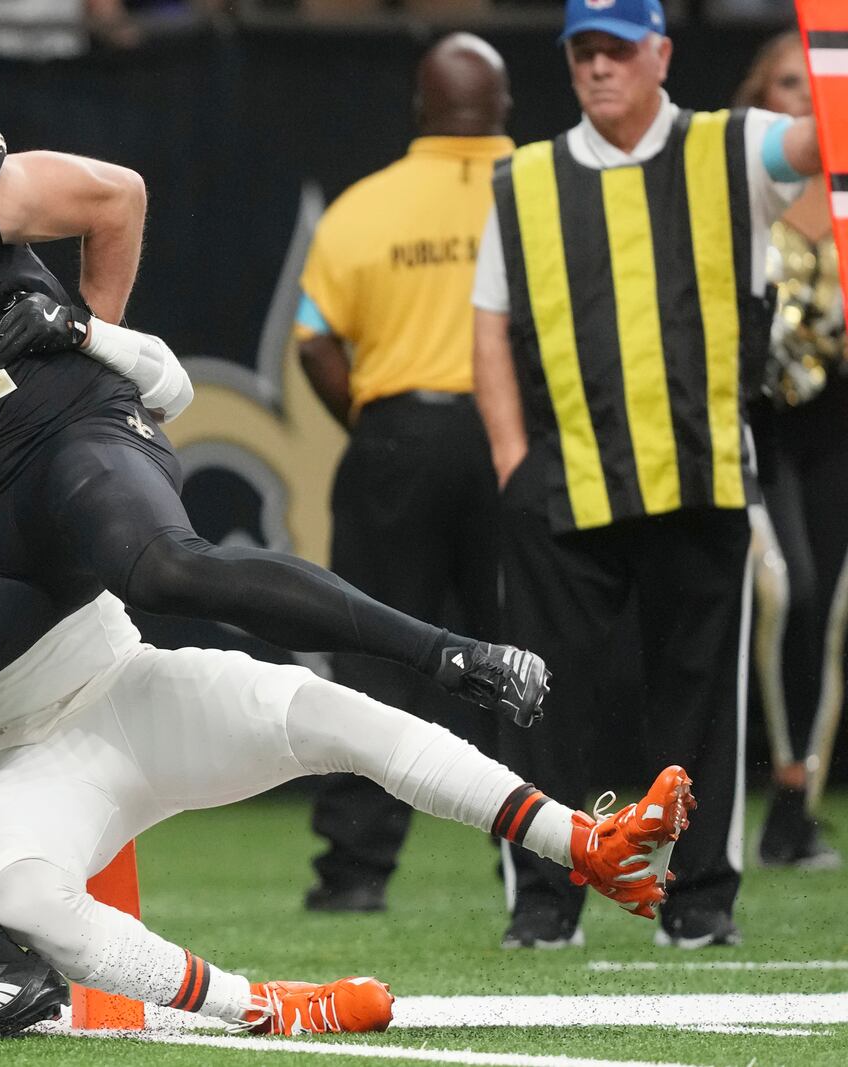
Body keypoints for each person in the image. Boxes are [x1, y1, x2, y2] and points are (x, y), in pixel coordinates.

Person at [0, 60, 549, 1039]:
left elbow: (115, 196)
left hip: (70, 434)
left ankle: (446, 653)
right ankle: (4, 962)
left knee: (163, 566)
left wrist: (91, 338)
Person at [0, 336, 692, 1038]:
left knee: (336, 713)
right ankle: (266, 1008)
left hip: (128, 678)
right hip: (17, 741)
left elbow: (166, 387)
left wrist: (84, 329)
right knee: (23, 905)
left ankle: (586, 841)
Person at [471, 0, 822, 948]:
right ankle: (544, 905)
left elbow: (820, 136)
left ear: (662, 53)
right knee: (546, 700)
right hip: (566, 478)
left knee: (702, 702)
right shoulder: (527, 179)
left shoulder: (734, 148)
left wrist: (831, 42)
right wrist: (511, 463)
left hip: (702, 471)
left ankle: (699, 901)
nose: (598, 67)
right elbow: (489, 330)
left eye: (618, 49)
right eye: (583, 50)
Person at [294, 32, 512, 913]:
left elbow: (314, 343)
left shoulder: (364, 206)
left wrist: (378, 426)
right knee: (527, 655)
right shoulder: (541, 192)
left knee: (376, 662)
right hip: (516, 447)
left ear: (422, 108)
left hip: (396, 445)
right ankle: (545, 874)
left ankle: (354, 874)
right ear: (504, 108)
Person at [733, 31, 843, 870]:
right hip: (758, 428)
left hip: (834, 424)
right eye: (783, 81)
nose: (801, 94)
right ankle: (756, 790)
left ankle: (796, 808)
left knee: (834, 612)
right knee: (783, 591)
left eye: (812, 82)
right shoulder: (735, 182)